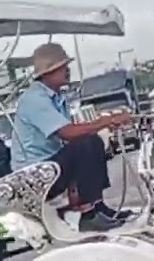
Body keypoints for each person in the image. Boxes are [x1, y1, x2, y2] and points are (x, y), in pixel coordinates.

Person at [11, 42, 134, 232]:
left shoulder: (56, 98)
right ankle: (88, 215)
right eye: (62, 68)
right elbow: (67, 133)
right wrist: (106, 121)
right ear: (48, 73)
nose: (67, 71)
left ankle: (97, 207)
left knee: (93, 141)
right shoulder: (34, 99)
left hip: (50, 168)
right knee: (86, 143)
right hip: (35, 175)